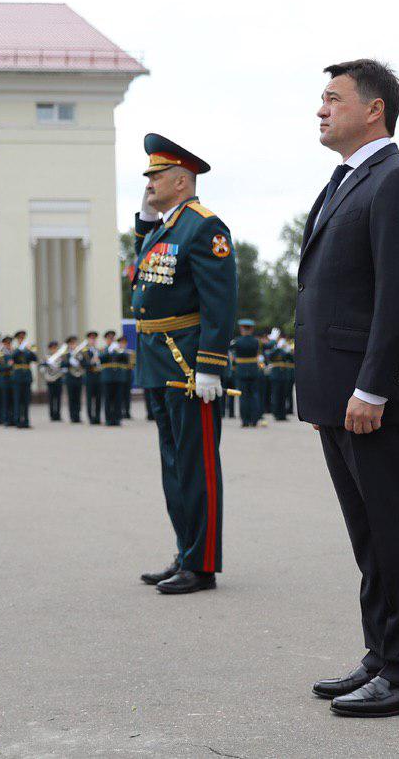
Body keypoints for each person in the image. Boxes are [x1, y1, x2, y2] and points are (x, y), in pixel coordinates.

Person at [297, 60, 399, 717]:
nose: (321, 109)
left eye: (334, 98)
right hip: (339, 393)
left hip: (371, 396)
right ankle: (381, 653)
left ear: (374, 109)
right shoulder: (345, 181)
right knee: (368, 536)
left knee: (395, 530)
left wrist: (374, 386)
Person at [133, 132, 236, 594]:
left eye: (156, 176)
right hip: (158, 360)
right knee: (173, 466)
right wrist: (145, 217)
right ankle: (184, 551)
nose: (149, 182)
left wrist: (211, 363)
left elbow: (220, 300)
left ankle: (203, 564)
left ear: (181, 180)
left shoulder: (204, 226)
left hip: (188, 361)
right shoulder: (166, 226)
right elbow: (148, 270)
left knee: (196, 465)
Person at [230, 321, 262, 427]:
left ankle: (245, 421)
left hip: (241, 370)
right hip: (253, 369)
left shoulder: (237, 342)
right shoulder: (256, 341)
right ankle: (254, 420)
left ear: (242, 329)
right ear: (251, 329)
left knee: (243, 396)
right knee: (254, 395)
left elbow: (231, 352)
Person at [11, 330, 37, 428]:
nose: (22, 340)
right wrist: (20, 348)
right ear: (17, 339)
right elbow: (13, 357)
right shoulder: (15, 349)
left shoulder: (28, 350)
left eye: (23, 338)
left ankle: (26, 421)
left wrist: (30, 350)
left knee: (26, 400)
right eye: (20, 338)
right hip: (17, 377)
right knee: (17, 400)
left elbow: (35, 359)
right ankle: (18, 421)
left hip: (26, 377)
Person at [102, 334, 126, 426]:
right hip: (107, 378)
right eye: (109, 338)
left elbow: (125, 359)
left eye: (112, 338)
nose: (111, 340)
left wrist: (119, 351)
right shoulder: (104, 349)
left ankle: (117, 419)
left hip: (118, 378)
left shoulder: (119, 350)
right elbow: (101, 358)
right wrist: (109, 351)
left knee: (118, 399)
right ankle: (108, 419)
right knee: (108, 399)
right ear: (106, 340)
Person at [83, 330, 103, 425]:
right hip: (90, 377)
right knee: (90, 398)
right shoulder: (85, 352)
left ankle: (98, 417)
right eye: (91, 338)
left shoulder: (99, 351)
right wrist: (92, 361)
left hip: (99, 376)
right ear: (88, 339)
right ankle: (91, 418)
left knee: (99, 398)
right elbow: (83, 364)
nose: (93, 340)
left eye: (94, 339)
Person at [63, 335, 85, 423]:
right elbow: (62, 365)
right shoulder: (66, 354)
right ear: (69, 345)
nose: (73, 345)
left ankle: (78, 416)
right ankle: (72, 416)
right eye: (71, 343)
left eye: (75, 343)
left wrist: (80, 360)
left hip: (79, 377)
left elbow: (85, 364)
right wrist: (69, 362)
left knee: (78, 398)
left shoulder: (80, 354)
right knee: (71, 398)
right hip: (70, 378)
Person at [43, 340, 65, 421]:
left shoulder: (60, 357)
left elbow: (62, 367)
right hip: (50, 380)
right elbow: (43, 369)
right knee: (51, 398)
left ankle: (58, 415)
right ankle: (52, 415)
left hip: (58, 379)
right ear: (50, 349)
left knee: (58, 398)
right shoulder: (47, 358)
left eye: (55, 348)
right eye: (52, 348)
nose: (54, 350)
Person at [120, 336, 135, 418]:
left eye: (124, 343)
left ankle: (127, 412)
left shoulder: (130, 352)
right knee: (120, 395)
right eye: (121, 343)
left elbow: (133, 364)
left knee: (127, 395)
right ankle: (120, 411)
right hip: (120, 376)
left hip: (128, 376)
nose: (123, 344)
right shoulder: (117, 352)